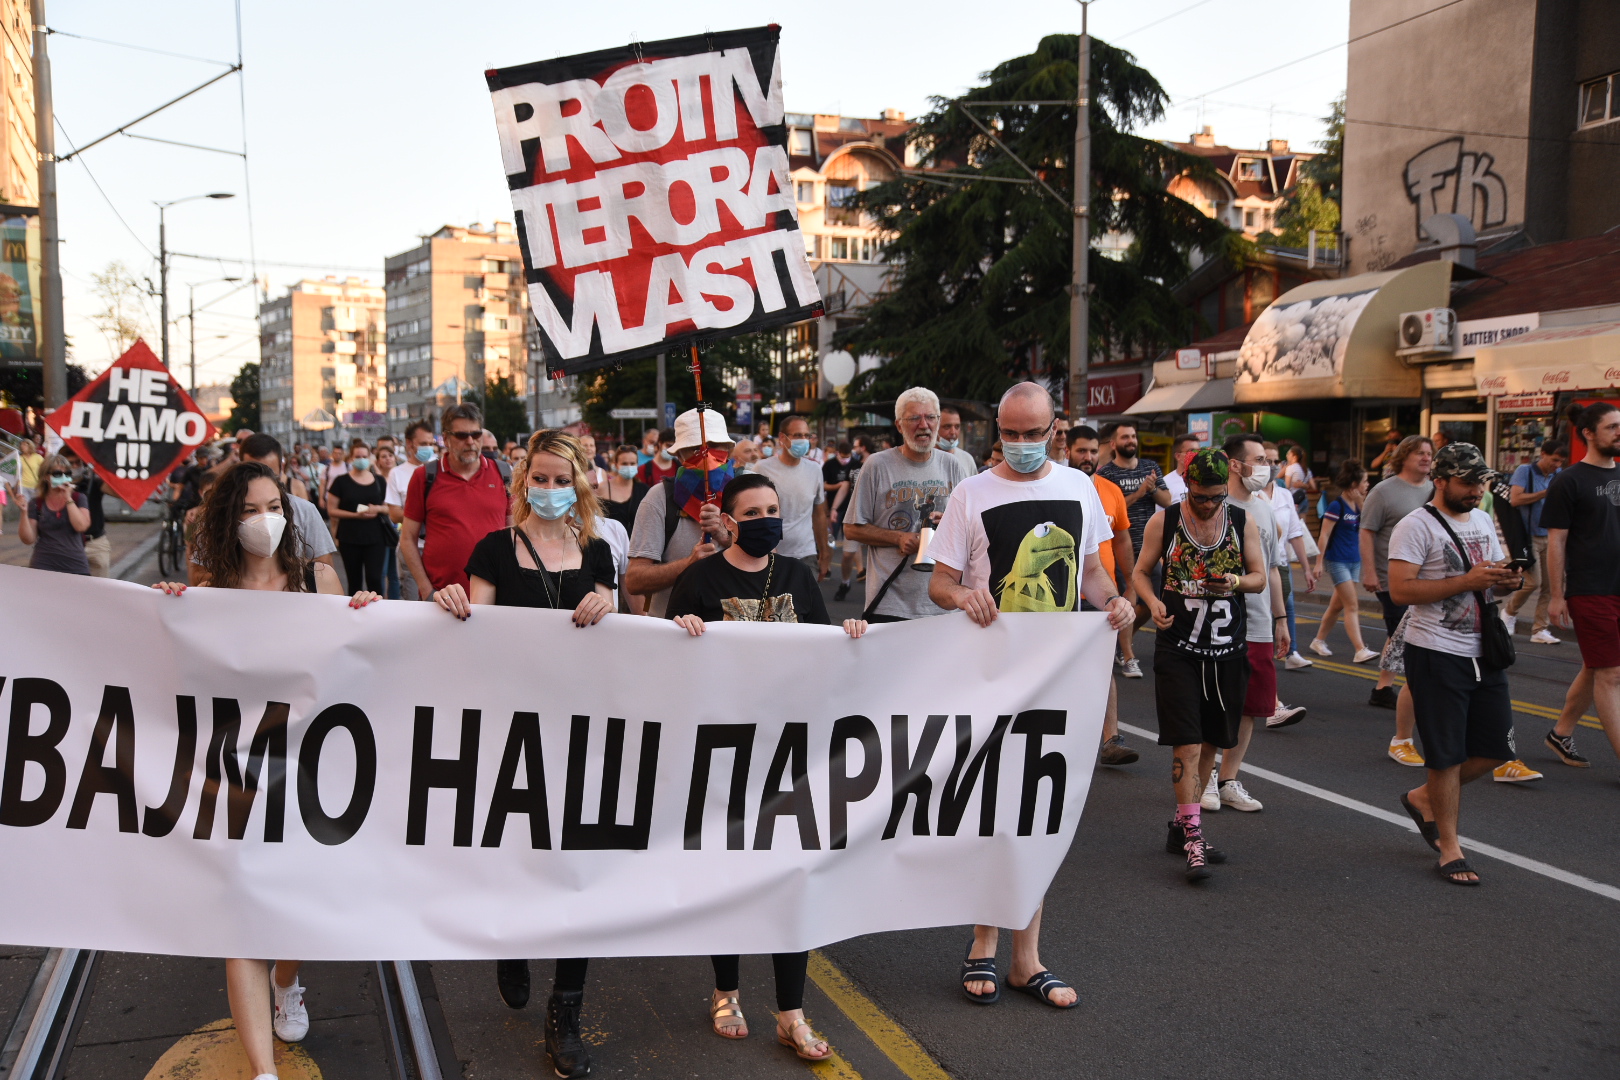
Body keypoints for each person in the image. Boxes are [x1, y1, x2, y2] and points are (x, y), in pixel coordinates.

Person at [152, 461, 379, 1080]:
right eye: (250, 510)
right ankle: (263, 1072)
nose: (265, 520)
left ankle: (287, 982)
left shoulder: (316, 578)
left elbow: (354, 658)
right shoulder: (211, 591)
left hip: (308, 772)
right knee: (244, 920)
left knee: (298, 909)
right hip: (236, 774)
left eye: (274, 507)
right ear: (230, 519)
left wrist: (364, 611)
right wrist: (168, 613)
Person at [929, 382, 1134, 1007]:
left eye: (1032, 433)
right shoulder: (971, 493)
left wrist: (1115, 601)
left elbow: (1092, 573)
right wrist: (964, 595)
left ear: (1055, 431)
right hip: (989, 679)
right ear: (999, 431)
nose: (1021, 444)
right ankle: (982, 944)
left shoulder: (1079, 489)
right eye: (1010, 434)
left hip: (1058, 681)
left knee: (1039, 817)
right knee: (991, 811)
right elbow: (940, 582)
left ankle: (1027, 958)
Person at [429, 429, 613, 1080]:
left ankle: (566, 1011)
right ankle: (511, 939)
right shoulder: (492, 550)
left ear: (579, 484)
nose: (551, 489)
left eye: (563, 480)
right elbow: (475, 638)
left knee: (576, 870)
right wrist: (449, 603)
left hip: (582, 733)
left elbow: (620, 638)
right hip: (512, 731)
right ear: (522, 481)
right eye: (541, 478)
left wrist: (609, 604)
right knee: (517, 855)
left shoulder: (598, 553)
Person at [1389, 444, 1522, 885]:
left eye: (1480, 482)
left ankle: (1423, 797)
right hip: (1436, 651)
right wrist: (1466, 580)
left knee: (1496, 748)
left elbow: (1488, 585)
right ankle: (1450, 847)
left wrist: (1507, 581)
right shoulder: (1414, 525)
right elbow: (1401, 591)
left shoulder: (1482, 519)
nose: (1476, 490)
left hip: (1485, 651)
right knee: (1446, 756)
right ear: (1441, 481)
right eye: (1467, 482)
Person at [1133, 448, 1268, 881]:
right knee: (1187, 745)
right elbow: (1140, 572)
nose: (1208, 505)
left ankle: (1180, 826)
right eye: (1199, 496)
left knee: (1211, 743)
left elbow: (1260, 578)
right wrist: (1153, 602)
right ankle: (1194, 835)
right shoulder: (1166, 521)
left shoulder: (1242, 522)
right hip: (1179, 649)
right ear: (1186, 485)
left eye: (1215, 497)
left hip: (1226, 651)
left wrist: (1234, 581)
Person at [1202, 433, 1291, 815]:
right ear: (1235, 464)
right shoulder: (1212, 505)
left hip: (1258, 624)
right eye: (1260, 459)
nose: (1267, 467)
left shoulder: (1265, 509)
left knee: (1252, 706)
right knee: (1216, 702)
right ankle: (1205, 775)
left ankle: (1228, 779)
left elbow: (1271, 568)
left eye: (1268, 460)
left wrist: (1280, 619)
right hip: (1218, 624)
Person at [844, 388, 967, 620]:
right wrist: (898, 538)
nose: (924, 425)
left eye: (930, 417)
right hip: (890, 603)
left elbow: (970, 528)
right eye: (914, 418)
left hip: (943, 604)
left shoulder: (952, 466)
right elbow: (851, 528)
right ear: (899, 425)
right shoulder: (877, 465)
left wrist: (949, 524)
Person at [1545, 402, 1620, 772]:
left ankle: (1560, 733)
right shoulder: (1568, 481)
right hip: (1590, 588)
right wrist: (1557, 595)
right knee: (1611, 673)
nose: (1619, 432)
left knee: (1596, 665)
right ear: (1588, 433)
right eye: (1612, 427)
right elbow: (1556, 541)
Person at [1070, 426, 1140, 766]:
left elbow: (1122, 539)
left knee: (1100, 665)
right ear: (1067, 451)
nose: (1088, 457)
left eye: (1094, 451)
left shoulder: (1111, 491)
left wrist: (1131, 583)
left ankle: (1111, 739)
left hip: (1100, 596)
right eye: (1081, 451)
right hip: (1063, 598)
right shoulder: (1058, 487)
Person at [625, 408, 736, 617]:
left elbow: (771, 558)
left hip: (736, 629)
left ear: (728, 449)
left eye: (714, 446)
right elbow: (634, 580)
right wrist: (688, 564)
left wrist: (727, 536)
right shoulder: (659, 498)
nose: (706, 455)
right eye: (695, 448)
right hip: (675, 629)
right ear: (678, 455)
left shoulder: (750, 491)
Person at [400, 403, 512, 604]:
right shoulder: (424, 476)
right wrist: (427, 590)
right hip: (442, 598)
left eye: (476, 435)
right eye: (461, 435)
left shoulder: (504, 474)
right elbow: (407, 538)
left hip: (495, 596)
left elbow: (515, 534)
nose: (470, 442)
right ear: (446, 438)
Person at [1360, 435, 1433, 731]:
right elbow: (1367, 531)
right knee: (1402, 632)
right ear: (1403, 457)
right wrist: (1369, 572)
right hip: (1391, 576)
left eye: (1429, 453)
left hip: (1425, 576)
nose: (1426, 458)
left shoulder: (1433, 489)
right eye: (1420, 453)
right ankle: (1408, 690)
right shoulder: (1383, 491)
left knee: (1403, 633)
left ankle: (1383, 688)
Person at [1099, 421, 1170, 679]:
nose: (1130, 441)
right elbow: (1112, 511)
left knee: (1153, 601)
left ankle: (1123, 642)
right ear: (1113, 444)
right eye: (1125, 437)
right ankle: (1127, 654)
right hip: (1121, 547)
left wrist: (1153, 489)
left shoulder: (1150, 467)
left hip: (1149, 547)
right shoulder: (1107, 473)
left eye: (1133, 436)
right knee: (1126, 599)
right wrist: (1139, 493)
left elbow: (1167, 500)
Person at [1311, 461, 1379, 662]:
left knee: (1336, 606)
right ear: (1354, 484)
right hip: (1337, 561)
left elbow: (1369, 525)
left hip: (1354, 561)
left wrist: (1360, 502)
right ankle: (1360, 649)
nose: (1367, 485)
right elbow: (1324, 535)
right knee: (1352, 605)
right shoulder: (1336, 506)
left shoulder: (1359, 506)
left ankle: (1318, 640)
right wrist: (1318, 563)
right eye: (1364, 481)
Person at [1504, 440, 1567, 643]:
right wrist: (1545, 493)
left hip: (1550, 535)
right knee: (1532, 582)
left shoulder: (1558, 475)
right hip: (1528, 537)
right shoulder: (1525, 471)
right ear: (1543, 454)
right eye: (1554, 460)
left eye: (1561, 461)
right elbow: (1515, 499)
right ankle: (1509, 612)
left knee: (1551, 585)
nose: (1557, 465)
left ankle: (1540, 629)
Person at [754, 414, 831, 581]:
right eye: (797, 435)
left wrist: (824, 552)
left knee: (808, 598)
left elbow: (819, 513)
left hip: (806, 555)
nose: (803, 440)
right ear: (782, 438)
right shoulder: (762, 469)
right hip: (770, 556)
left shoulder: (815, 470)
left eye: (806, 435)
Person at [1265, 441, 1317, 682]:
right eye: (1265, 460)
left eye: (1276, 461)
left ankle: (1291, 651)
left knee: (1287, 607)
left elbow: (1295, 533)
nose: (1272, 465)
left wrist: (1307, 569)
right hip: (1258, 565)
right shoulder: (1250, 495)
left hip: (1281, 563)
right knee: (1265, 615)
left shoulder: (1285, 494)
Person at [325, 439, 391, 595]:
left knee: (375, 579)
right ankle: (355, 608)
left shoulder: (379, 481)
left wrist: (377, 509)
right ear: (351, 458)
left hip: (376, 537)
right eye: (358, 456)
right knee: (354, 581)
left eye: (364, 456)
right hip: (350, 537)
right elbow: (332, 510)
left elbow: (389, 507)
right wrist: (355, 515)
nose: (361, 459)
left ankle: (377, 607)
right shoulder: (341, 481)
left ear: (370, 458)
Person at [12, 454, 90, 575]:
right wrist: (24, 512)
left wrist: (68, 498)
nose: (63, 477)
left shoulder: (78, 498)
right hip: (43, 564)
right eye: (57, 474)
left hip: (75, 564)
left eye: (67, 474)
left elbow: (81, 526)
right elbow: (28, 539)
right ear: (46, 477)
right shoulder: (37, 502)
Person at [385, 420, 436, 600]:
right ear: (409, 444)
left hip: (437, 549)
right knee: (415, 602)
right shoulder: (397, 473)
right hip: (412, 549)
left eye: (430, 443)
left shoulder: (440, 470)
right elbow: (394, 514)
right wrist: (428, 517)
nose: (428, 448)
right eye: (423, 444)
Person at [64, 449, 110, 577]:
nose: (75, 466)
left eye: (78, 462)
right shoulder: (57, 487)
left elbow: (115, 491)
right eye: (71, 463)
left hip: (94, 542)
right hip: (68, 543)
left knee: (100, 587)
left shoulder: (93, 483)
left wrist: (104, 471)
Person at [822, 440, 858, 599]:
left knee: (849, 552)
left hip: (855, 514)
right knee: (831, 539)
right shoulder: (829, 465)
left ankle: (848, 579)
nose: (845, 460)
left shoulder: (859, 465)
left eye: (847, 456)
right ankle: (827, 567)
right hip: (836, 509)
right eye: (843, 456)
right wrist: (833, 509)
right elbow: (842, 487)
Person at [598, 443, 650, 532]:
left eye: (632, 463)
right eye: (624, 463)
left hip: (635, 539)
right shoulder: (603, 488)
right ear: (616, 464)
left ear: (637, 465)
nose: (629, 467)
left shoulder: (644, 490)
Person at [937, 405, 980, 476]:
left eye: (957, 427)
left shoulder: (967, 459)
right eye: (947, 426)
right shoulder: (925, 458)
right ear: (935, 428)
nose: (953, 432)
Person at [1161, 433, 1200, 505]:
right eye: (1191, 451)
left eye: (1198, 451)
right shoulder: (1166, 483)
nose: (1196, 455)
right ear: (1178, 456)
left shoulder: (1206, 480)